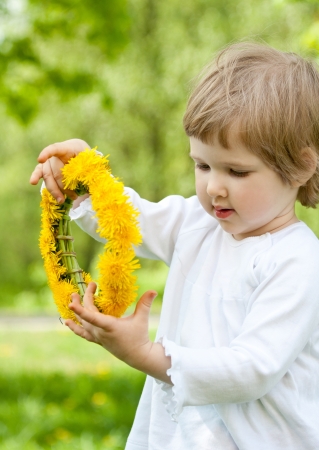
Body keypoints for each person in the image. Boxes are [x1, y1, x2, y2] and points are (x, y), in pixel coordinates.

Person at [30, 42, 319, 449]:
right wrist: (84, 182)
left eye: (237, 170)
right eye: (202, 165)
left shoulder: (296, 261)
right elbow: (130, 221)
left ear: (300, 167)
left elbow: (253, 368)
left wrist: (147, 354)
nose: (213, 187)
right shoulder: (195, 223)